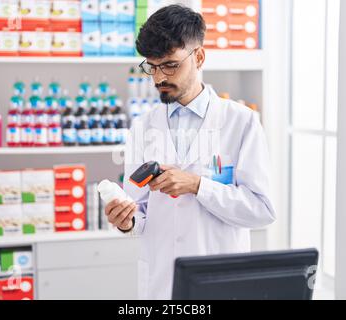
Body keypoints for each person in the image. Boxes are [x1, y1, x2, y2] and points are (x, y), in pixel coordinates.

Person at [104, 4, 276, 300]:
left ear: (199, 57)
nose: (159, 78)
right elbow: (140, 213)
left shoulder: (242, 122)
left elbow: (262, 211)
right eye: (151, 66)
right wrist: (126, 221)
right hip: (162, 283)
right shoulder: (142, 127)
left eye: (170, 65)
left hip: (220, 282)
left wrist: (197, 186)